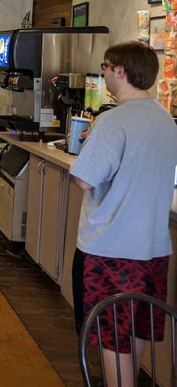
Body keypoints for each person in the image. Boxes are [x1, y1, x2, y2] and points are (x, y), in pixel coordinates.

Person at [70, 41, 177, 387]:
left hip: (110, 248)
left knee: (110, 335)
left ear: (120, 71)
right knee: (140, 325)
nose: (102, 74)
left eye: (104, 67)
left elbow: (85, 179)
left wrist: (89, 142)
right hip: (154, 248)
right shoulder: (167, 120)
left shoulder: (112, 120)